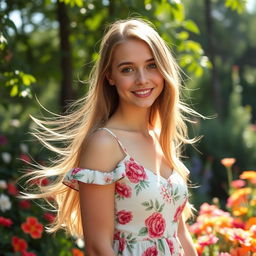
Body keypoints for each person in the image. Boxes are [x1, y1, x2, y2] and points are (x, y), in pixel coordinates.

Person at [24, 18, 201, 256]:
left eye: (151, 65)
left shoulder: (159, 136)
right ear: (110, 76)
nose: (142, 79)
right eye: (127, 69)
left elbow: (179, 233)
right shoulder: (104, 144)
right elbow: (98, 248)